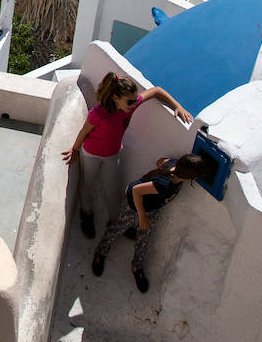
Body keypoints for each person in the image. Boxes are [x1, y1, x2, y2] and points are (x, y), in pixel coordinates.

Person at [61, 73, 192, 239]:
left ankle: (115, 220)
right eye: (129, 101)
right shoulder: (98, 114)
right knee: (87, 183)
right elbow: (84, 131)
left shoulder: (130, 105)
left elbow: (156, 91)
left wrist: (177, 106)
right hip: (91, 154)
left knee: (112, 189)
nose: (133, 104)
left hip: (112, 155)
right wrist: (75, 149)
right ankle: (86, 213)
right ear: (115, 98)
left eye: (133, 100)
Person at [92, 153, 213, 293]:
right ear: (188, 176)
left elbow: (159, 161)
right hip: (133, 206)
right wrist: (142, 216)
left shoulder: (174, 164)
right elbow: (136, 190)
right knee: (117, 228)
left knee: (144, 238)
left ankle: (136, 266)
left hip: (150, 209)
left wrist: (163, 167)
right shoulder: (165, 184)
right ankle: (101, 251)